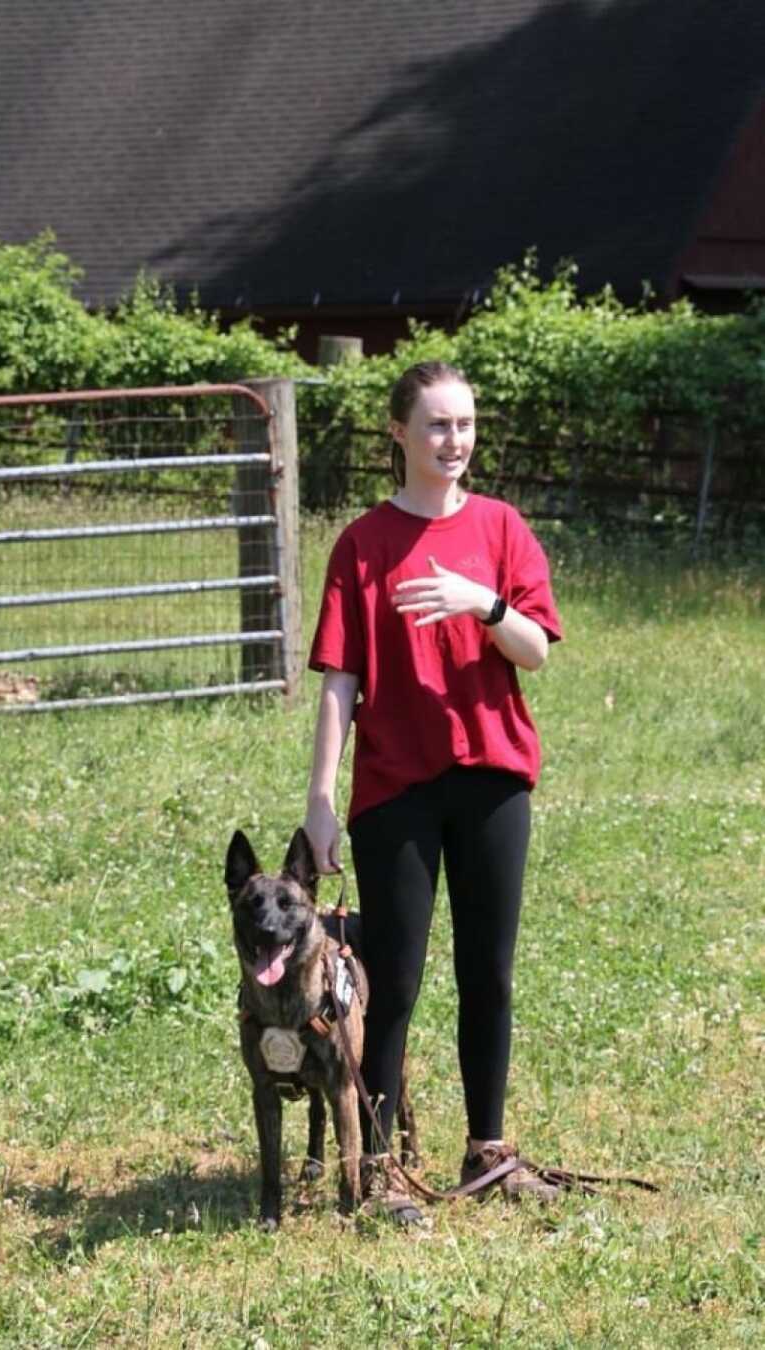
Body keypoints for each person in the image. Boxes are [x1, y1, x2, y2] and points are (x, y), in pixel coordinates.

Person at [303, 361, 563, 1222]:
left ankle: (487, 1151)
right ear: (400, 435)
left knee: (490, 971)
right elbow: (340, 679)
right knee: (396, 982)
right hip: (396, 789)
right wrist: (320, 798)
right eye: (438, 426)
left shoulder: (500, 528)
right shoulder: (363, 543)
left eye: (466, 425)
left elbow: (536, 651)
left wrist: (478, 601)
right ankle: (379, 1168)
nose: (456, 442)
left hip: (492, 779)